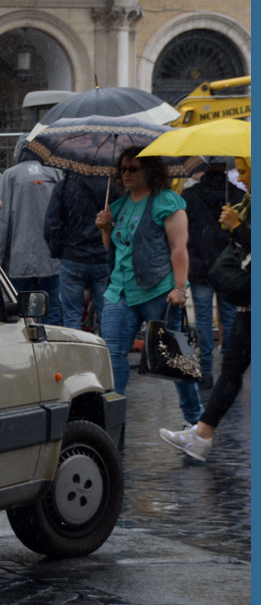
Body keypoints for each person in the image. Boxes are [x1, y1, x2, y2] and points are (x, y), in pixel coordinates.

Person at [95, 148, 202, 428]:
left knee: (175, 359)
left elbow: (179, 250)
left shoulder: (167, 202)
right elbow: (114, 249)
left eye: (134, 169)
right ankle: (112, 421)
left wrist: (180, 288)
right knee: (113, 354)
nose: (126, 174)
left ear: (150, 171)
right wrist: (105, 229)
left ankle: (195, 421)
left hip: (159, 291)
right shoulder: (118, 206)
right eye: (123, 169)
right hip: (120, 290)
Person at [159, 156, 250, 462]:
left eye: (247, 170)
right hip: (241, 293)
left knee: (224, 360)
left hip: (216, 276)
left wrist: (237, 229)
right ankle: (202, 434)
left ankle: (204, 384)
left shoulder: (199, 196)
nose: (244, 176)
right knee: (232, 367)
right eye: (240, 169)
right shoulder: (241, 198)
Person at [0, 157, 64, 326]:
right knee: (52, 307)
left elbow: (0, 222)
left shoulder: (11, 175)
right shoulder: (55, 174)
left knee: (21, 310)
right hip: (51, 260)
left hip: (20, 261)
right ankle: (53, 346)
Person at [182, 158, 239, 389]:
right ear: (226, 167)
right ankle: (230, 370)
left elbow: (185, 231)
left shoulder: (190, 195)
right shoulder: (236, 196)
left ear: (204, 167)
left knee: (203, 319)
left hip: (200, 266)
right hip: (229, 266)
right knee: (231, 318)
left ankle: (205, 372)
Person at [44, 169, 112, 333]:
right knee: (108, 315)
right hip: (102, 256)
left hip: (72, 258)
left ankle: (75, 354)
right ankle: (108, 353)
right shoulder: (110, 187)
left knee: (71, 316)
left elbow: (52, 224)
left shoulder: (65, 186)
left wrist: (58, 250)